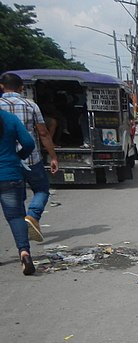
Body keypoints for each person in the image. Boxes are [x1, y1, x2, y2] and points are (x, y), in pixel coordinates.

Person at [0, 72, 59, 243]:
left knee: (15, 202)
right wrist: (53, 157)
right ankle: (32, 216)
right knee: (41, 190)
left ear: (2, 86)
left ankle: (22, 234)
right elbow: (43, 133)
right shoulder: (30, 105)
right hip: (31, 159)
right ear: (21, 88)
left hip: (6, 162)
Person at [0, 108, 36, 274]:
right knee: (15, 217)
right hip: (9, 173)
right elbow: (28, 143)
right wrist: (19, 156)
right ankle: (24, 253)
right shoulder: (9, 118)